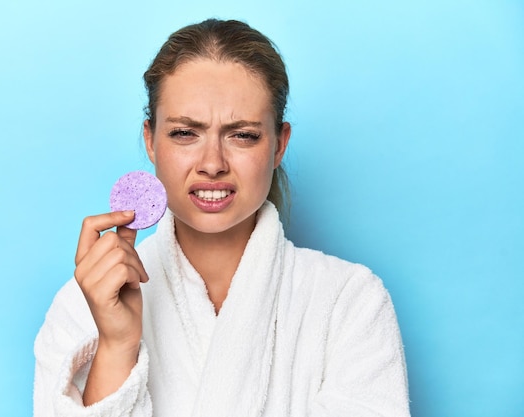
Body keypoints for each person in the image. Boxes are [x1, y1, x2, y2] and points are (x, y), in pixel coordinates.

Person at [33, 18, 410, 417]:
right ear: (150, 140)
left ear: (279, 144)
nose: (212, 164)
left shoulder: (350, 303)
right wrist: (116, 345)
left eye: (242, 135)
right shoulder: (82, 305)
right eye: (184, 133)